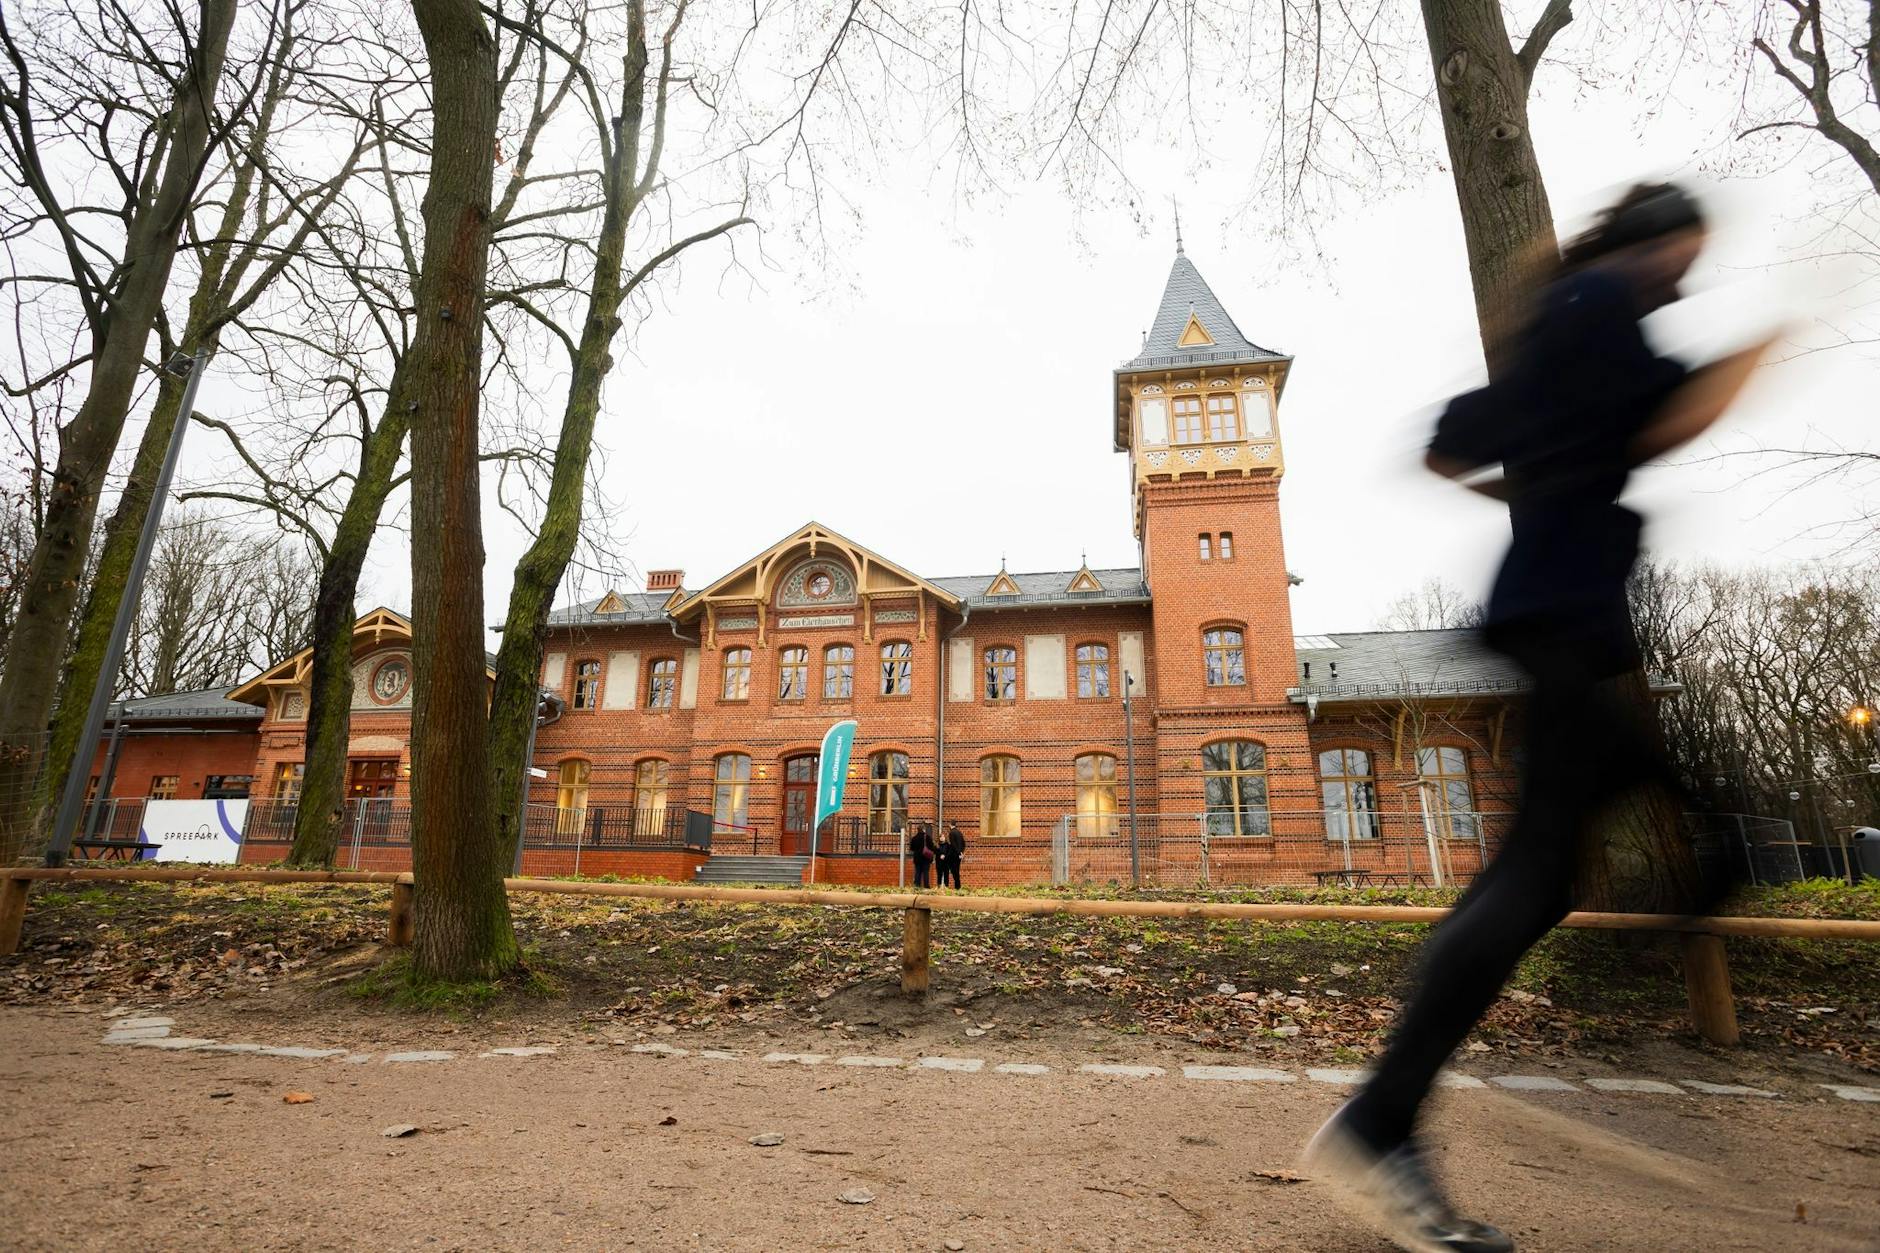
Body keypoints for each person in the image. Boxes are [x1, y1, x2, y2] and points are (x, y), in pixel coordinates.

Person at [1303, 183, 1777, 1253]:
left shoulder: (1572, 311)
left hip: (1559, 626)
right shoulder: (1601, 302)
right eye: (1681, 261)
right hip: (1560, 626)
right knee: (1606, 859)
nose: (1681, 281)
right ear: (1651, 244)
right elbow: (1666, 416)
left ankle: (1396, 1108)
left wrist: (1545, 495)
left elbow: (1450, 444)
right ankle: (1393, 1112)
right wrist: (1766, 347)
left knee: (1549, 872)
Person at [909, 824, 935, 888]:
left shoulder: (914, 838)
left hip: (917, 858)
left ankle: (917, 886)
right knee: (926, 872)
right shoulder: (927, 837)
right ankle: (926, 886)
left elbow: (911, 848)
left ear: (917, 830)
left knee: (917, 872)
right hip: (926, 858)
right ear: (923, 829)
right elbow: (932, 847)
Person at [941, 822, 966, 889]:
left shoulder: (951, 833)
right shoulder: (959, 832)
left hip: (954, 855)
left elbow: (953, 845)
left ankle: (957, 886)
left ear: (950, 825)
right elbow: (963, 844)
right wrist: (961, 852)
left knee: (953, 870)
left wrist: (958, 852)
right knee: (956, 871)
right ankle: (957, 886)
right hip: (959, 855)